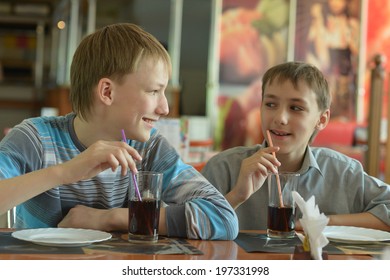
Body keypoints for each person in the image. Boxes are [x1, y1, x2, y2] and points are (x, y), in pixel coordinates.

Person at [0, 23, 238, 240]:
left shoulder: (149, 148)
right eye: (154, 91)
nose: (165, 108)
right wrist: (65, 172)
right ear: (107, 92)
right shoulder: (35, 138)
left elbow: (223, 218)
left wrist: (108, 218)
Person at [202, 61, 390, 231]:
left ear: (321, 119)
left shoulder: (343, 173)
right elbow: (186, 230)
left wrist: (323, 221)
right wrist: (236, 195)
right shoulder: (223, 168)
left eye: (296, 108)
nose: (279, 118)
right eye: (270, 104)